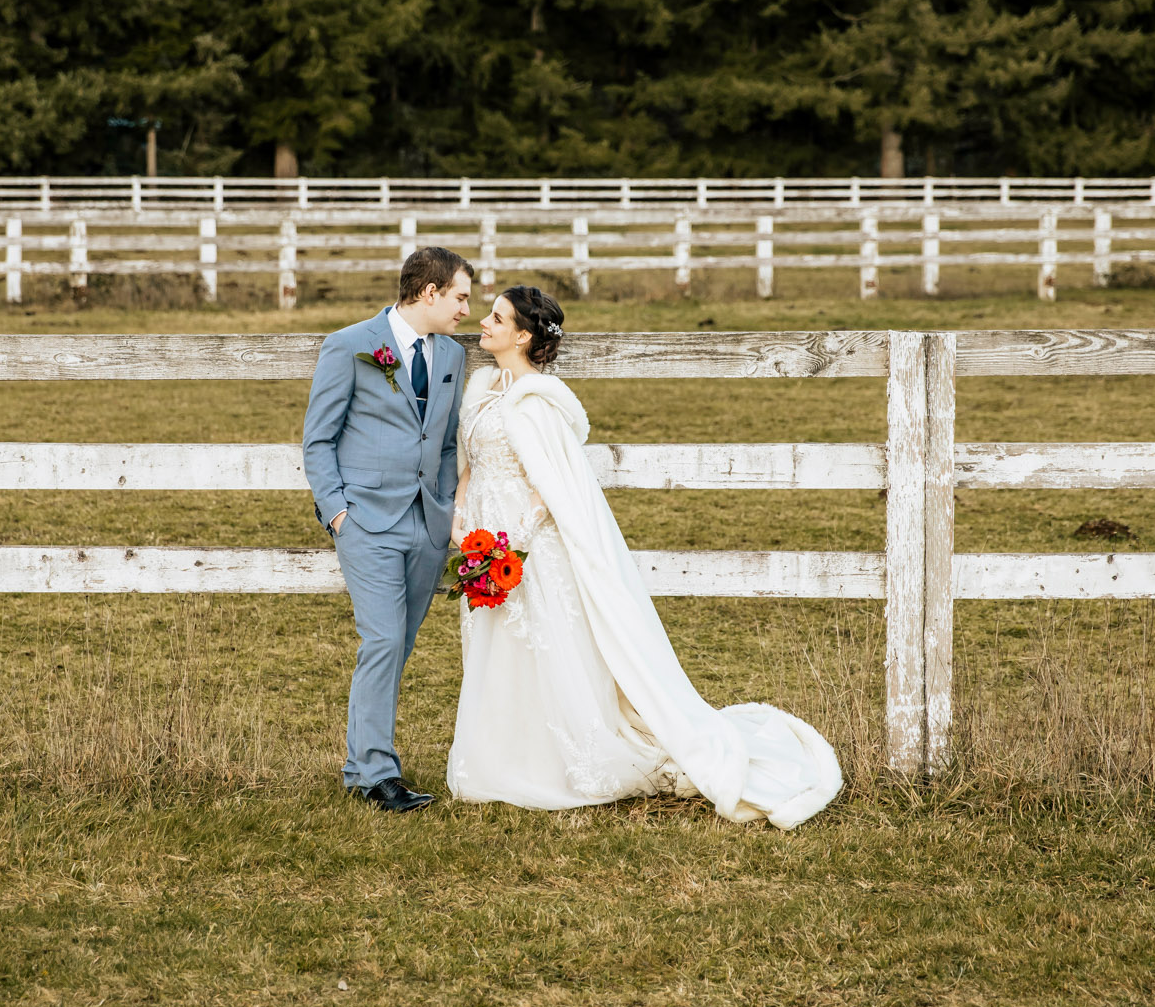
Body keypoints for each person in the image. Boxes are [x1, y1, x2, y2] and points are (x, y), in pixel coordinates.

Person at [446, 286, 842, 828]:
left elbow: (552, 487)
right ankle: (500, 752)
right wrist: (461, 514)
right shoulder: (484, 387)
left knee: (542, 643)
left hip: (526, 545)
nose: (483, 325)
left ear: (522, 336)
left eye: (496, 318)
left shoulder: (536, 402)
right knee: (497, 644)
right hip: (482, 538)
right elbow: (474, 463)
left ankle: (555, 762)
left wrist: (509, 543)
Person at [302, 247, 474, 812]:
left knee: (397, 646)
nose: (465, 310)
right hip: (366, 521)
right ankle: (377, 775)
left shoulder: (450, 355)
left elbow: (445, 442)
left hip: (426, 524)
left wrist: (445, 513)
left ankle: (361, 763)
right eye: (460, 296)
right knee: (381, 639)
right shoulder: (351, 345)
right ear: (429, 292)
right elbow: (318, 439)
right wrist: (337, 512)